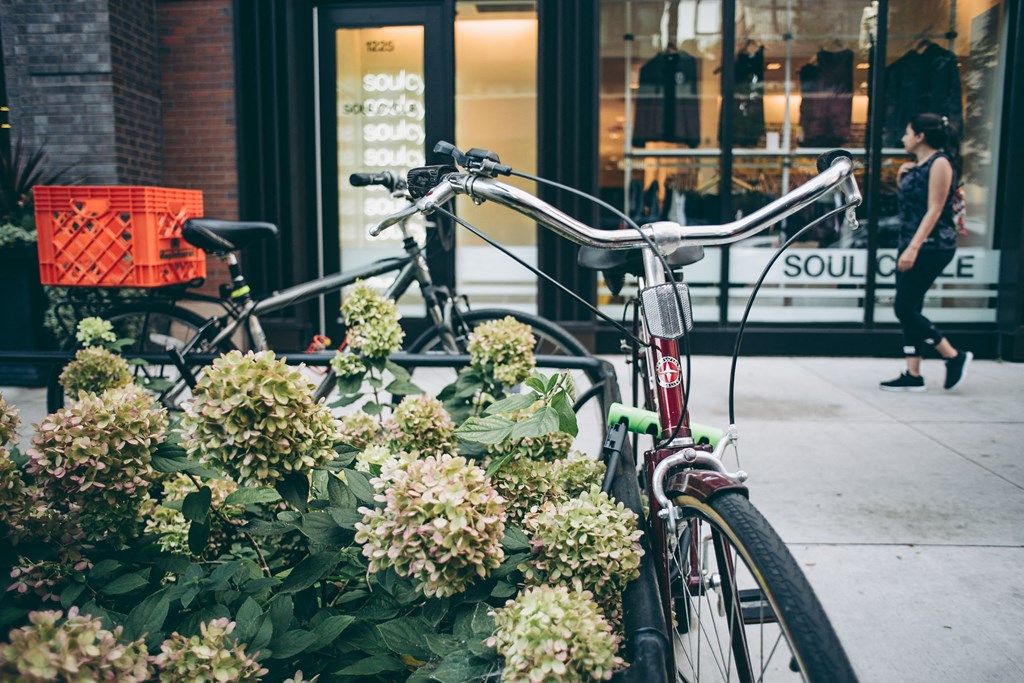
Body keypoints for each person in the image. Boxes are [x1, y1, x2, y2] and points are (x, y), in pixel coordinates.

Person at [880, 112, 972, 392]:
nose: (903, 138)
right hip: (912, 242)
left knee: (903, 308)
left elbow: (934, 210)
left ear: (921, 136)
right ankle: (913, 373)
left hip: (930, 246)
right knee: (911, 307)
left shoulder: (940, 163)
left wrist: (913, 248)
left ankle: (952, 355)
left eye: (908, 132)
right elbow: (912, 207)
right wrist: (902, 177)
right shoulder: (915, 166)